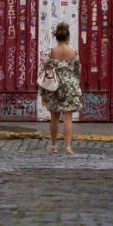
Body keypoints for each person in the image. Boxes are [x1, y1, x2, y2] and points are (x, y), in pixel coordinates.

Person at [38, 22, 82, 155]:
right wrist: (73, 83)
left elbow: (43, 71)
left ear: (56, 38)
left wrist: (43, 93)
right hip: (69, 86)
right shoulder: (74, 53)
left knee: (54, 117)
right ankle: (68, 147)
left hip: (54, 87)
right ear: (68, 38)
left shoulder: (50, 53)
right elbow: (77, 71)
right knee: (68, 118)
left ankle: (53, 145)